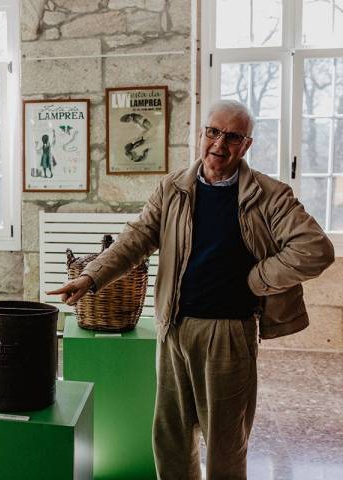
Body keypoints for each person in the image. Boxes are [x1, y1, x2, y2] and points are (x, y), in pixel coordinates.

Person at [48, 99, 334, 480]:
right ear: (201, 135)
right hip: (174, 329)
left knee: (224, 443)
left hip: (229, 334)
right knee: (171, 439)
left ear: (246, 145)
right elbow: (137, 238)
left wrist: (257, 278)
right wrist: (91, 277)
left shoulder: (269, 194)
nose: (220, 143)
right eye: (213, 132)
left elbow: (315, 249)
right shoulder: (174, 187)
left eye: (232, 136)